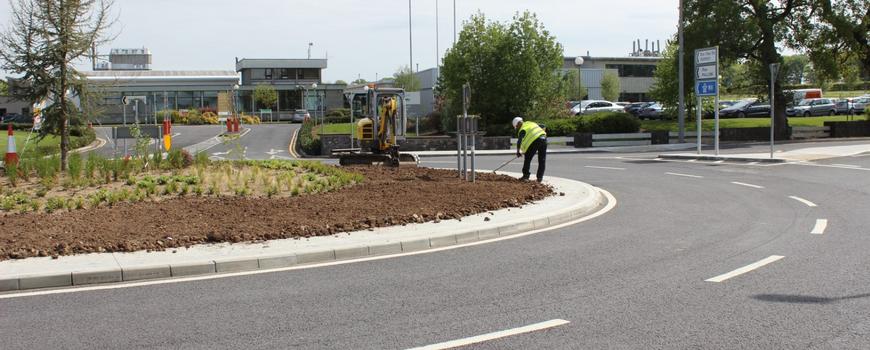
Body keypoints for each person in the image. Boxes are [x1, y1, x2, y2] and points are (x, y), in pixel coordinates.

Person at [512, 116, 547, 182]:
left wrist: (518, 151)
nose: (517, 128)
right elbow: (543, 126)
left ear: (518, 124)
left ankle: (525, 176)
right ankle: (540, 178)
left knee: (528, 158)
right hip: (544, 139)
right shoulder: (530, 123)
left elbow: (519, 141)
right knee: (542, 160)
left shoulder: (522, 129)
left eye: (516, 127)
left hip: (535, 141)